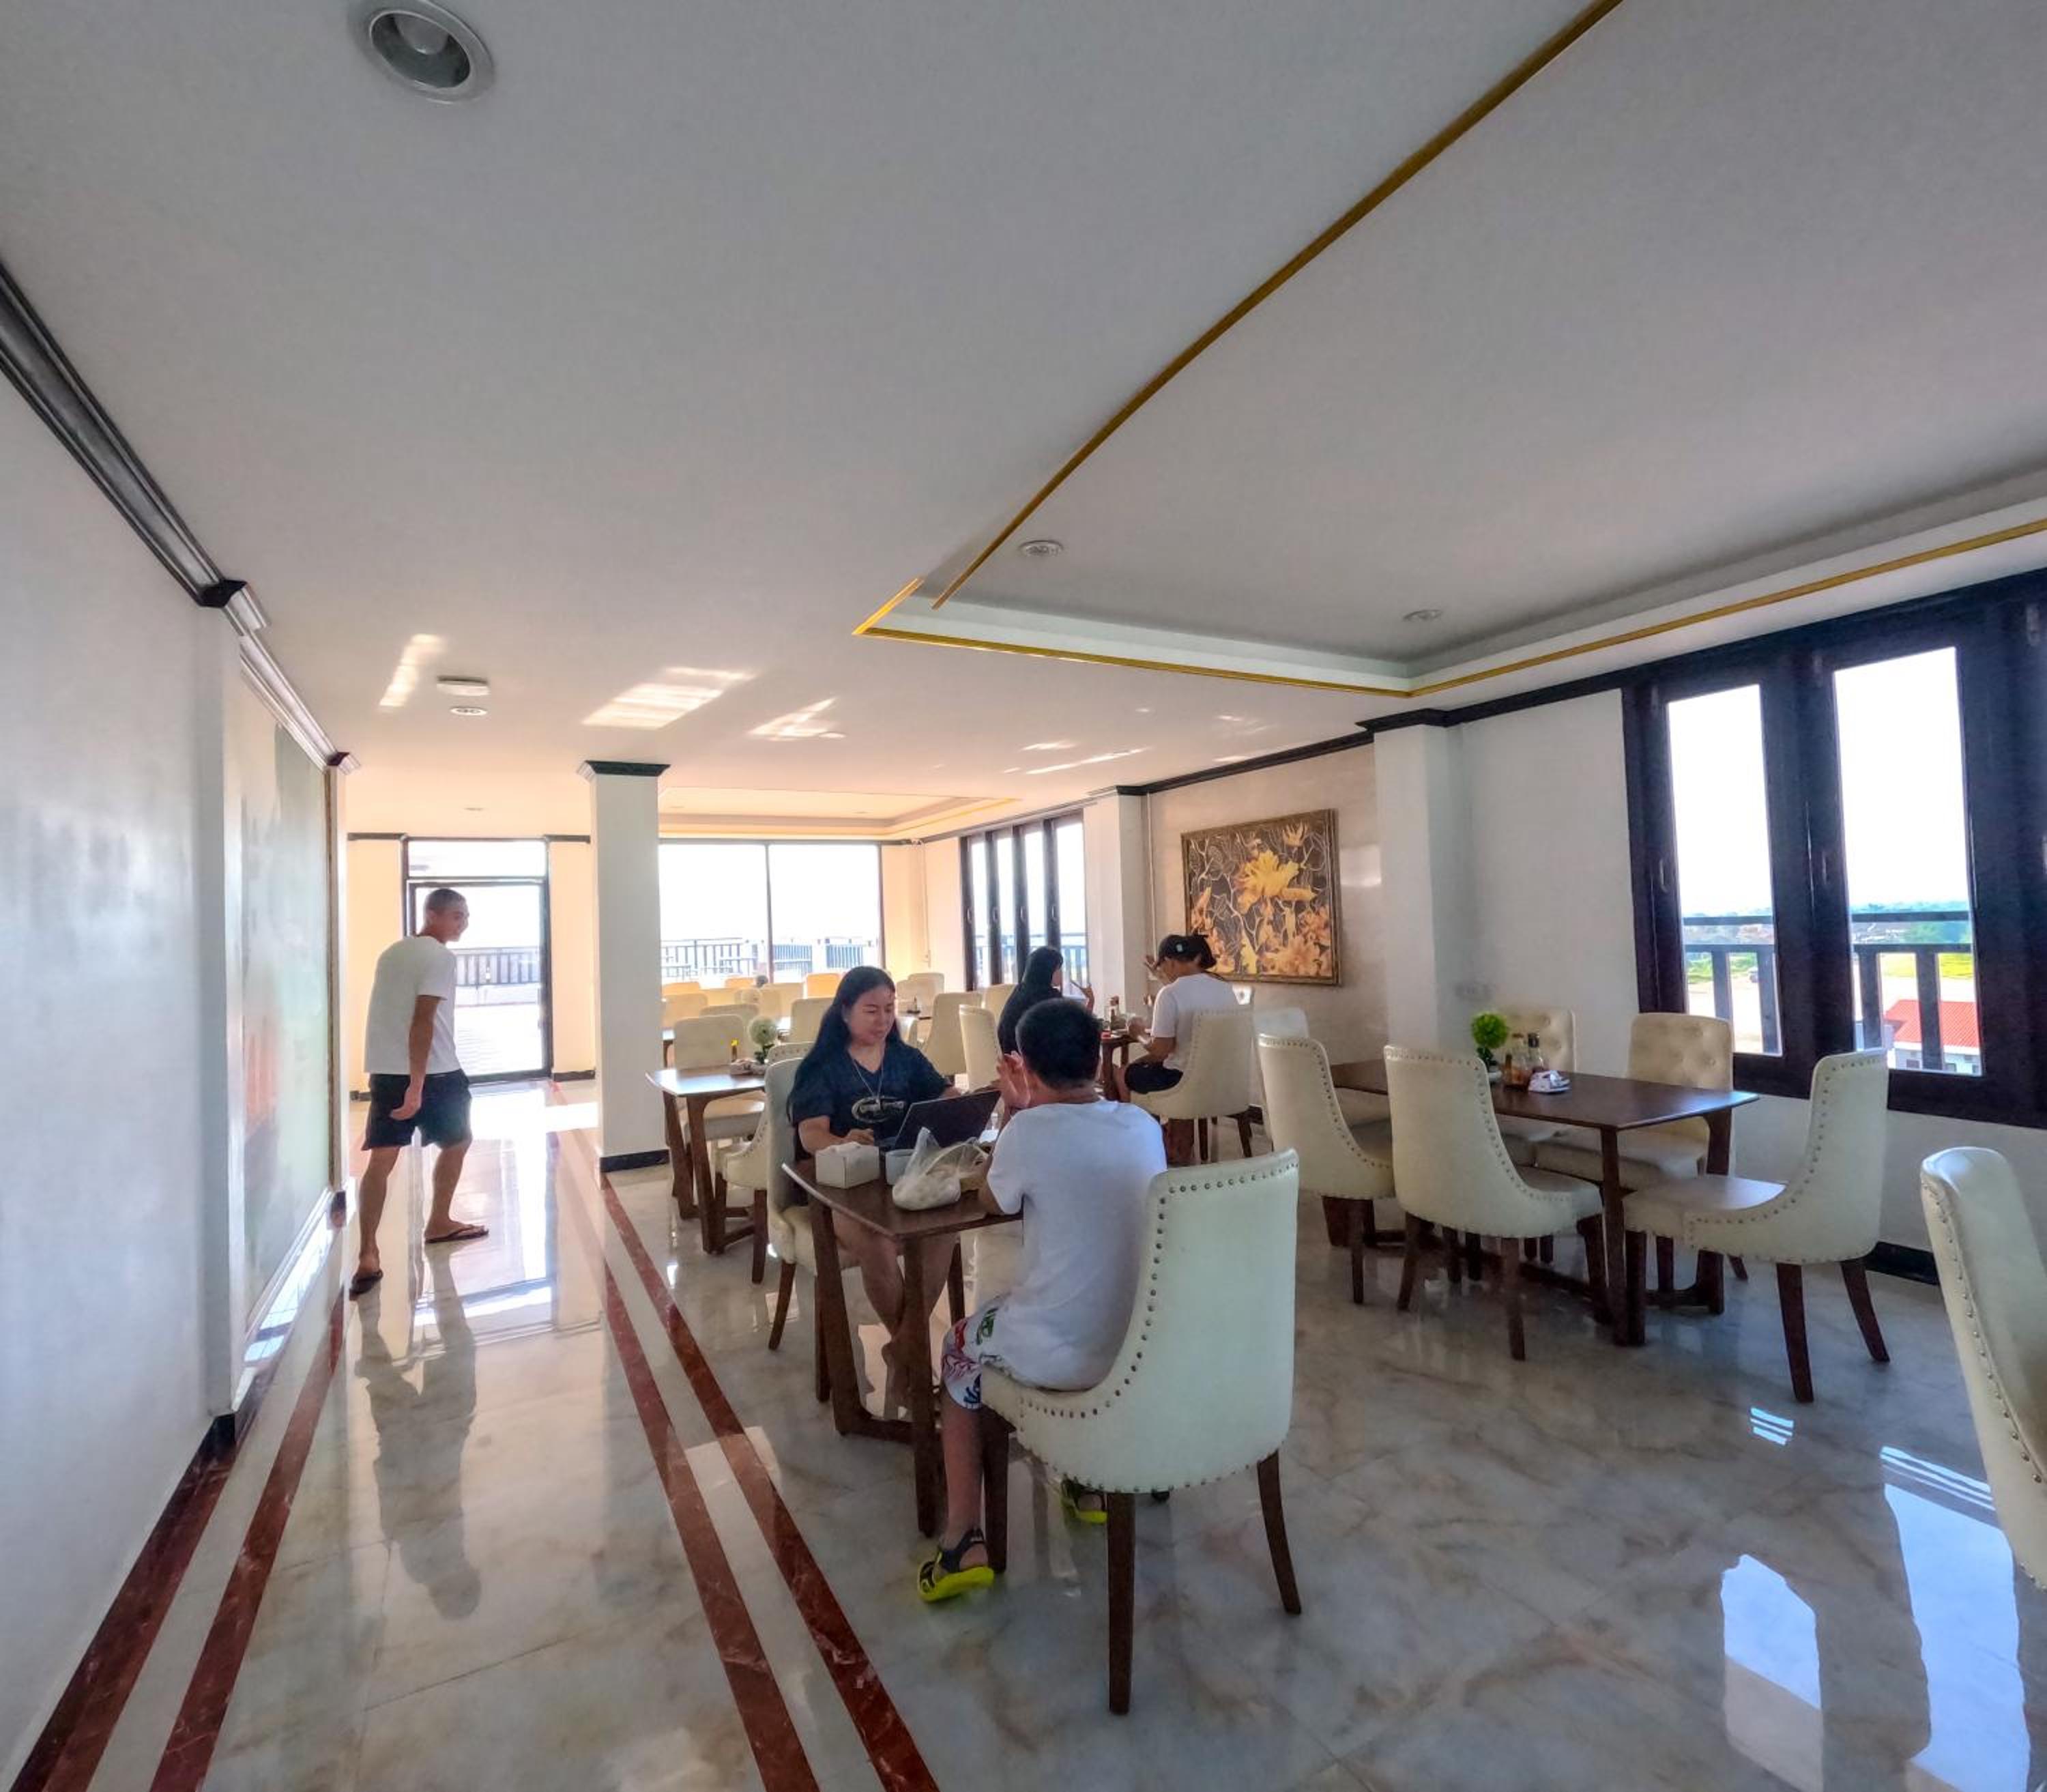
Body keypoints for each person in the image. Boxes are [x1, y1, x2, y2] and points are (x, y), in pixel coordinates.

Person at [918, 998, 1167, 1600]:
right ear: (1098, 1061)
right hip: (1141, 1347)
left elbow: (992, 1200)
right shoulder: (1141, 1125)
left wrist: (1013, 1113)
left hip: (1060, 1353)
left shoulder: (1027, 1133)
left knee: (956, 1350)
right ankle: (1088, 1481)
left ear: (1025, 1068)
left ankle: (962, 1539)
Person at [789, 966, 955, 1361]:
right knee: (878, 1243)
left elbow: (943, 1094)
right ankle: (913, 1355)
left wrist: (960, 1101)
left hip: (901, 1176)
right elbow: (811, 1135)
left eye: (889, 1009)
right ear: (845, 1011)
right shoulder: (823, 1067)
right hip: (843, 1187)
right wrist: (842, 1142)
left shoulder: (905, 1059)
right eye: (871, 1010)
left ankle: (902, 1352)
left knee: (942, 1231)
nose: (883, 1020)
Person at [352, 888, 489, 1299]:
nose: (463, 923)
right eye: (456, 916)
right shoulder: (440, 957)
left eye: (466, 916)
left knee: (381, 1161)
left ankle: (368, 1252)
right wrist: (416, 1085)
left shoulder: (392, 953)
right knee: (458, 1141)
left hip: (387, 1070)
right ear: (432, 915)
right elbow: (423, 1021)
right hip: (434, 1072)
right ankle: (439, 1221)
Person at [995, 944, 1094, 1055]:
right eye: (1058, 968)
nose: (1061, 972)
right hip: (1028, 1059)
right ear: (1048, 970)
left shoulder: (1020, 989)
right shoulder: (1048, 996)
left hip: (1008, 1057)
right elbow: (1080, 1026)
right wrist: (1091, 1000)